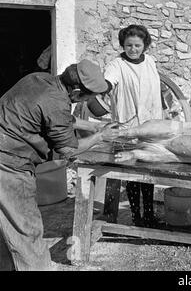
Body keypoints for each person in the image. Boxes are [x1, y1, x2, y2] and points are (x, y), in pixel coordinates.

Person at [0, 60, 114, 271]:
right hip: (8, 164)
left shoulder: (40, 79)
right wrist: (100, 136)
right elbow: (68, 150)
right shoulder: (55, 102)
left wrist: (92, 126)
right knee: (27, 229)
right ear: (77, 92)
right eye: (88, 97)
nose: (88, 101)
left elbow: (58, 117)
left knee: (6, 226)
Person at [104, 25, 163, 228]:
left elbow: (156, 89)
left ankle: (149, 214)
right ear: (123, 45)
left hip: (151, 125)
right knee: (131, 173)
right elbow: (108, 82)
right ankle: (136, 216)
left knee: (148, 172)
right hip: (127, 127)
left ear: (145, 45)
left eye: (137, 45)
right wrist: (103, 87)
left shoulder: (151, 62)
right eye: (129, 45)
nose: (133, 49)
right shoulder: (116, 65)